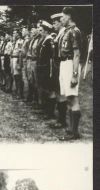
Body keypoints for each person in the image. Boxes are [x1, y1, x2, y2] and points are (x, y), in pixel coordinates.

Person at [58, 7, 83, 141]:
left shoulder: (74, 31)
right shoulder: (66, 31)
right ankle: (72, 129)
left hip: (70, 64)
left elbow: (77, 54)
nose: (61, 19)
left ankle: (74, 132)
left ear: (70, 16)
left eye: (63, 16)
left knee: (73, 98)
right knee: (68, 97)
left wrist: (74, 74)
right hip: (64, 64)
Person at [50, 12, 69, 130]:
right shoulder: (58, 34)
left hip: (59, 66)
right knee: (57, 91)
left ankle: (62, 120)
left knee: (61, 93)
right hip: (56, 66)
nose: (53, 25)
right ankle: (60, 119)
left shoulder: (63, 34)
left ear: (60, 22)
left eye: (55, 22)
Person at [36, 21, 57, 120]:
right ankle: (46, 110)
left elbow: (51, 57)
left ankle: (50, 112)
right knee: (44, 88)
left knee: (49, 89)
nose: (41, 33)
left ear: (46, 31)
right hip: (43, 67)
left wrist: (49, 70)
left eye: (42, 31)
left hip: (48, 68)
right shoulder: (45, 40)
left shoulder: (49, 40)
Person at [11, 30, 24, 99]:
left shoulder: (20, 41)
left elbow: (20, 52)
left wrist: (19, 62)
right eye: (13, 33)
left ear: (18, 34)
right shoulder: (14, 41)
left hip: (17, 59)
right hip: (13, 58)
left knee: (18, 76)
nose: (13, 34)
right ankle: (16, 91)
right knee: (15, 76)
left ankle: (20, 93)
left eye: (15, 33)